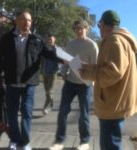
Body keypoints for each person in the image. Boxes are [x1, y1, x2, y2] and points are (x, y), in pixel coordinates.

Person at [0, 10, 63, 150]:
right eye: (24, 19)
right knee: (12, 113)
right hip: (12, 82)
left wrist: (65, 59)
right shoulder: (6, 38)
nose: (27, 23)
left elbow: (49, 53)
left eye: (29, 20)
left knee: (27, 112)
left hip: (29, 84)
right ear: (17, 21)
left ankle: (25, 142)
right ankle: (14, 140)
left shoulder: (36, 39)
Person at [79, 10, 137, 150]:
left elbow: (112, 73)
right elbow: (110, 68)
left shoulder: (114, 40)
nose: (99, 29)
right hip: (117, 102)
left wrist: (87, 73)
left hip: (112, 104)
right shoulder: (122, 40)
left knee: (109, 145)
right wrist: (86, 68)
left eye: (99, 25)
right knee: (112, 143)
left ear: (104, 24)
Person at [49, 20, 98, 150]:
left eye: (81, 28)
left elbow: (95, 66)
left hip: (85, 84)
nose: (79, 30)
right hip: (70, 82)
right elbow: (66, 61)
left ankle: (84, 142)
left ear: (87, 29)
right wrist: (64, 73)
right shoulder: (70, 44)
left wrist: (91, 80)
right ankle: (59, 141)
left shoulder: (92, 45)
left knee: (84, 114)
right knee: (62, 112)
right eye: (76, 28)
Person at [41, 34, 59, 115]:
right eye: (48, 39)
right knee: (46, 91)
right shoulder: (44, 49)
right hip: (44, 72)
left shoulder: (57, 49)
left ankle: (46, 108)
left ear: (54, 40)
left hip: (53, 72)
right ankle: (51, 102)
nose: (49, 41)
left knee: (49, 91)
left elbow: (61, 60)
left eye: (51, 39)